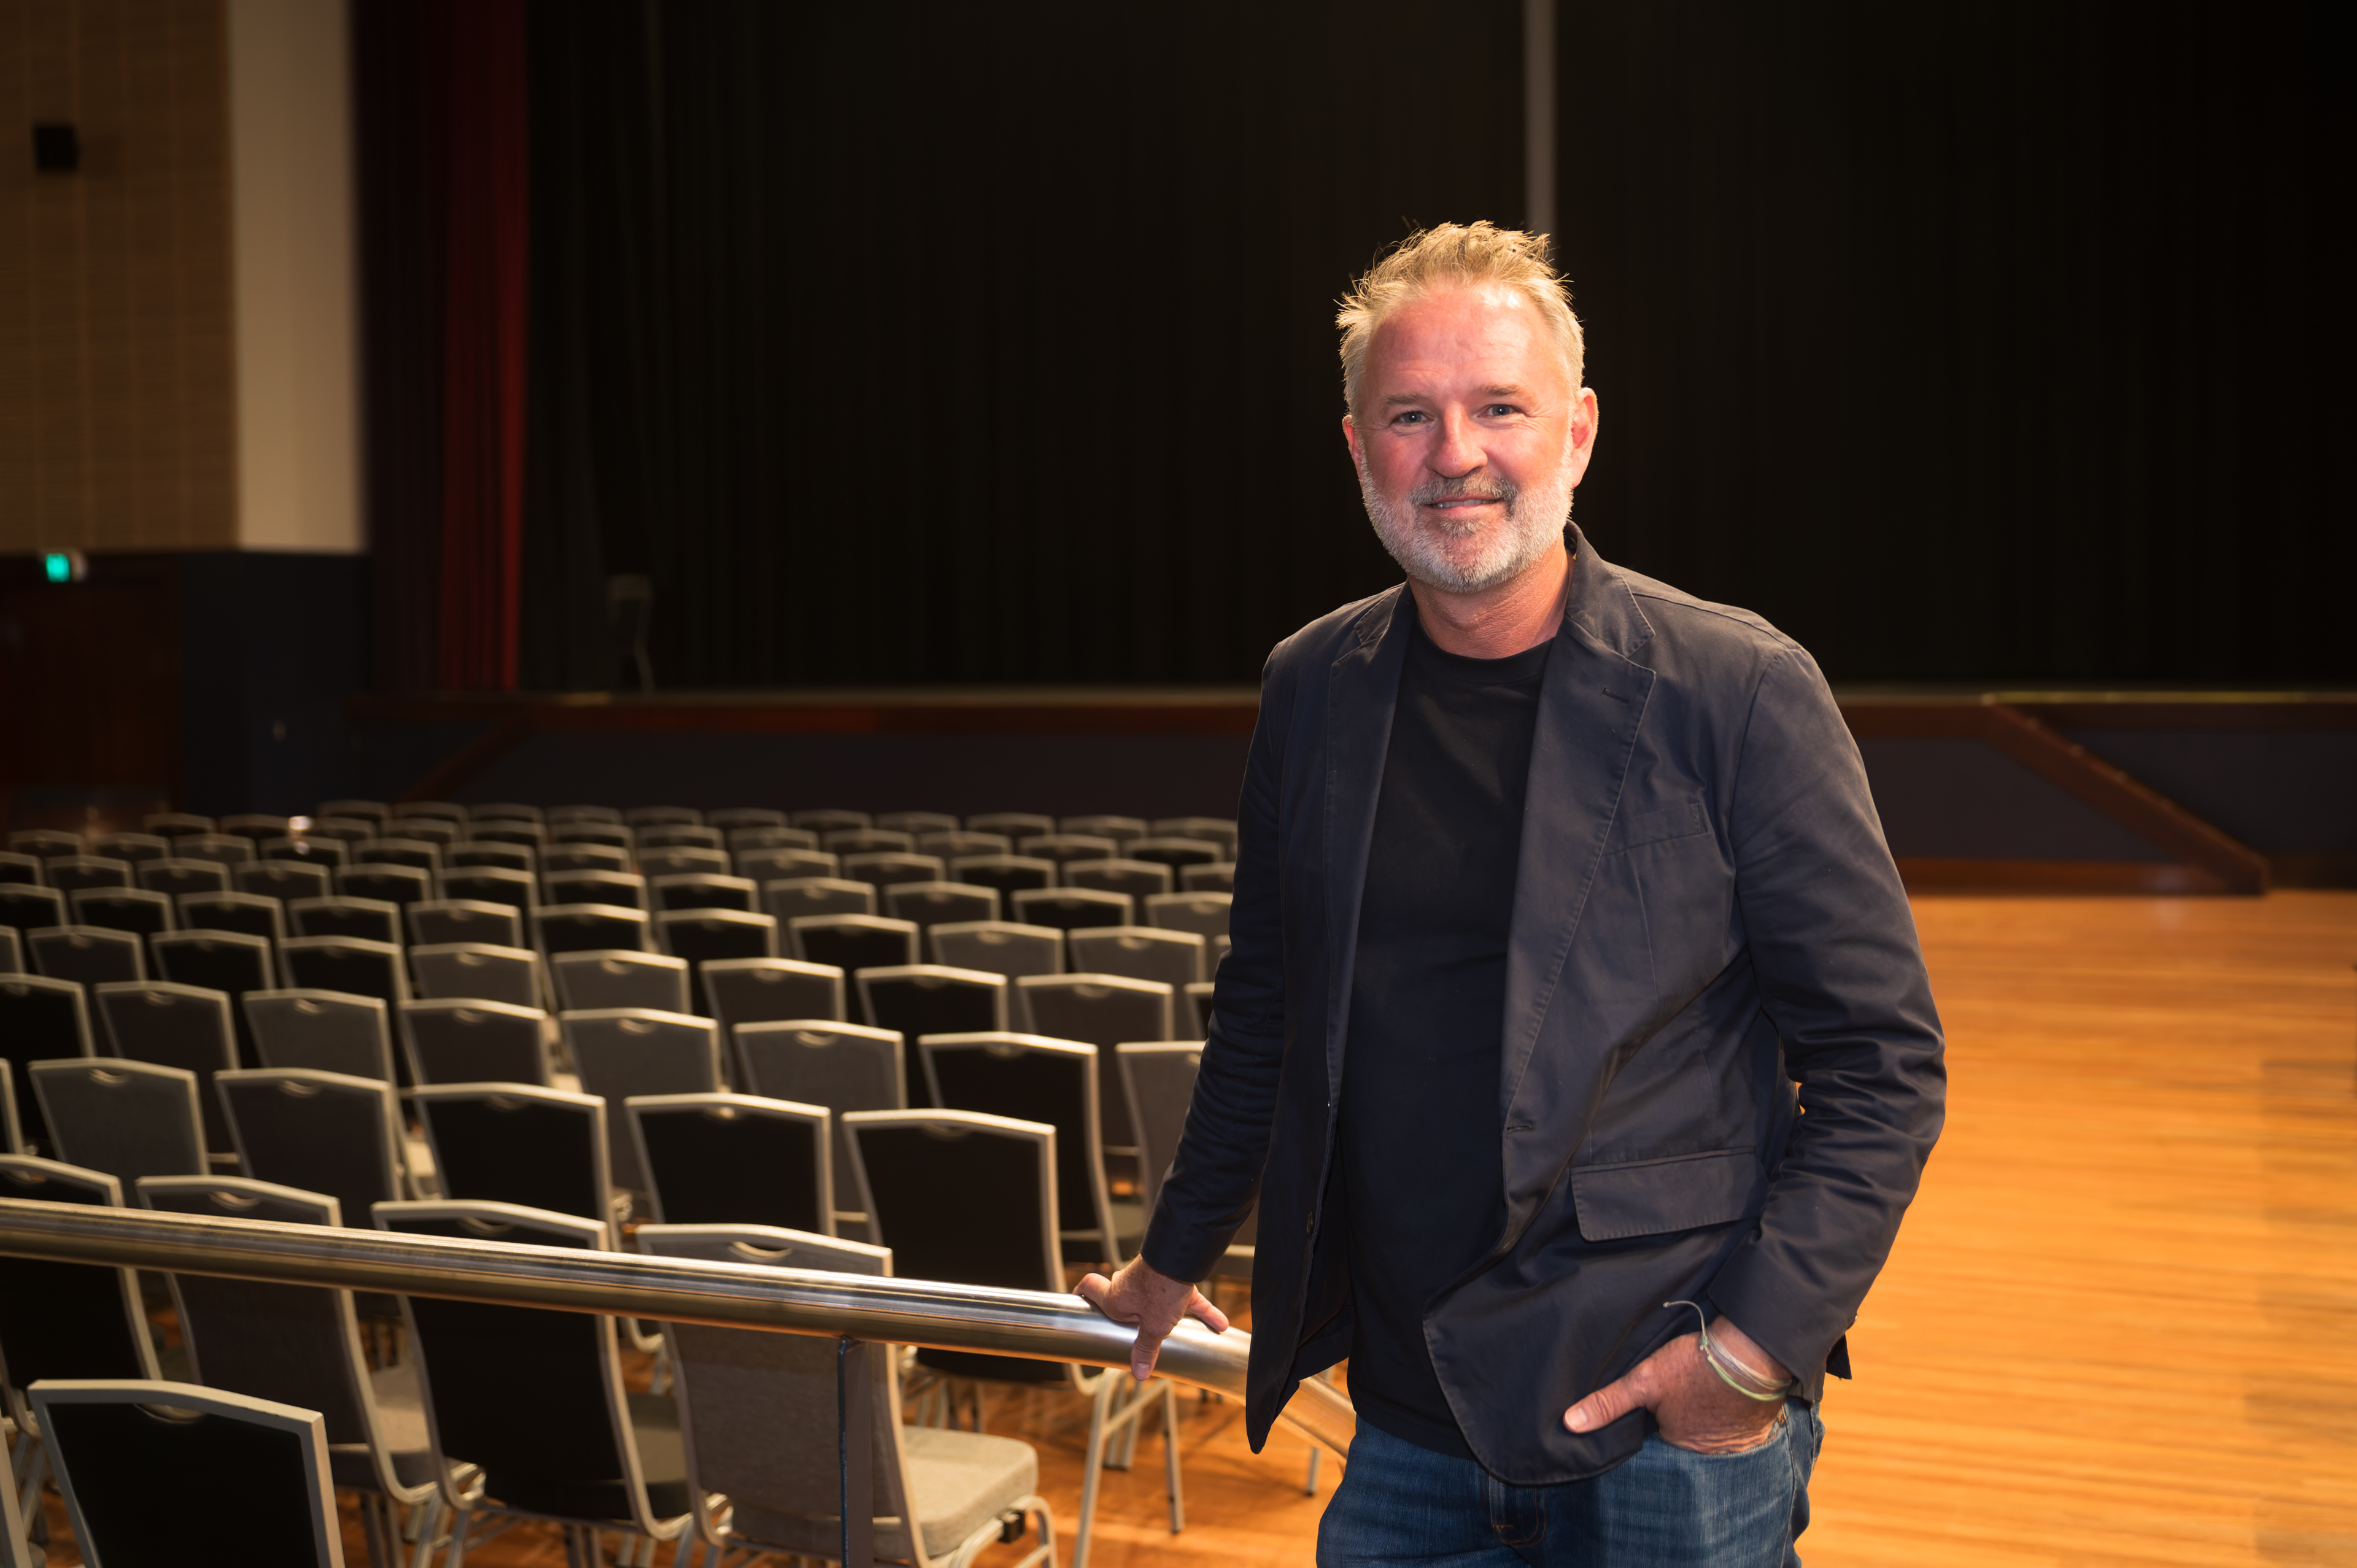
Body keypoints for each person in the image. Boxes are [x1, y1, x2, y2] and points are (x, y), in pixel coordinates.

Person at [1077, 221, 1946, 1566]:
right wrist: (1173, 1256)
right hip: (1404, 1412)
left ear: (1578, 432)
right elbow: (1265, 1013)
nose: (1455, 453)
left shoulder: (1741, 689)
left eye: (1499, 408)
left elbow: (1883, 1065)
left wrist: (1752, 1349)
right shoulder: (1310, 687)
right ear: (1357, 446)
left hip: (1660, 1410)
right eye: (1409, 415)